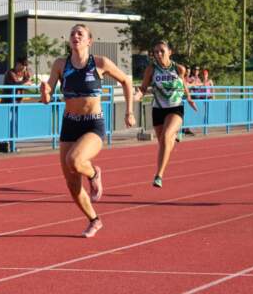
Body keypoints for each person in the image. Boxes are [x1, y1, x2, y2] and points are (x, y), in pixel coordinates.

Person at [40, 24, 134, 238]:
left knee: (74, 161)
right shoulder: (61, 64)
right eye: (72, 33)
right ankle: (94, 220)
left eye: (80, 34)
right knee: (72, 183)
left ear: (89, 41)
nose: (75, 36)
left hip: (93, 124)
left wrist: (129, 111)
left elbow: (126, 81)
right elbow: (47, 99)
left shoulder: (100, 63)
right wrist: (45, 92)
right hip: (70, 123)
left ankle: (94, 173)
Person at [134, 40, 197, 188]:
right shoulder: (151, 69)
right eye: (156, 52)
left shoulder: (179, 68)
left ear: (170, 52)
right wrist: (138, 95)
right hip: (158, 109)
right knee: (163, 143)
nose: (159, 54)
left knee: (166, 135)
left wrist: (188, 97)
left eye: (162, 51)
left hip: (175, 107)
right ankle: (176, 134)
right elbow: (143, 88)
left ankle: (159, 175)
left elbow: (183, 84)